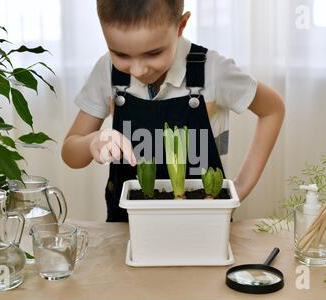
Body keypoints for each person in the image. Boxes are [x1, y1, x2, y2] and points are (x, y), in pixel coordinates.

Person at [62, 0, 285, 222]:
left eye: (153, 53)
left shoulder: (213, 70)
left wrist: (239, 187)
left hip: (204, 227)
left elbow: (273, 109)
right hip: (128, 230)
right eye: (120, 54)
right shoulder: (106, 71)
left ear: (181, 25)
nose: (137, 70)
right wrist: (93, 141)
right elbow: (70, 152)